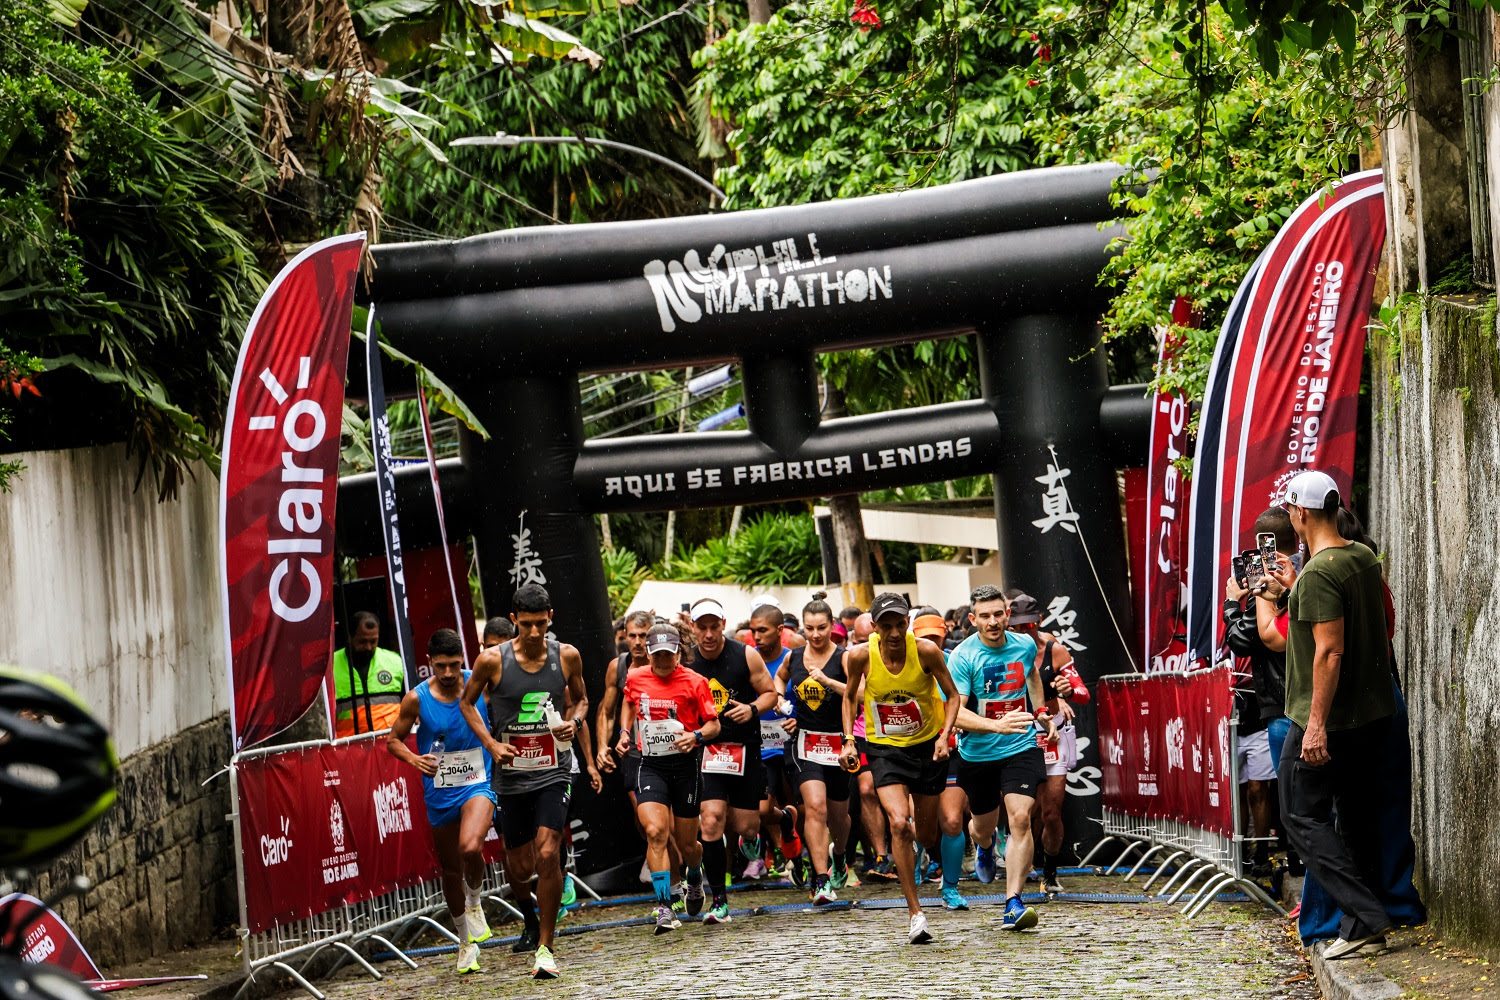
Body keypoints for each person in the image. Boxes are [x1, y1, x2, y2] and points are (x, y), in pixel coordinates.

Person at [1266, 469, 1397, 960]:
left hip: (1325, 718)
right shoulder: (1359, 557)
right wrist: (1292, 589)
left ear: (1300, 513)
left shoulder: (1320, 573)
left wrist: (1315, 724)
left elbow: (1329, 652)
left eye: (1290, 512)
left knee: (1300, 815)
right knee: (1354, 819)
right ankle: (1363, 920)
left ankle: (1366, 914)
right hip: (1369, 716)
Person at [461, 584, 589, 980]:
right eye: (527, 625)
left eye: (541, 623)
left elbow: (582, 699)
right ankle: (539, 905)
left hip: (553, 769)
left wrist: (574, 722)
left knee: (549, 853)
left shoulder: (566, 656)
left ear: (551, 616)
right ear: (514, 620)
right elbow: (466, 702)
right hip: (512, 776)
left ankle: (545, 947)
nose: (535, 633)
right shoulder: (491, 661)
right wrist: (491, 743)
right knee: (520, 868)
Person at [838, 592, 962, 945]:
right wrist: (849, 740)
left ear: (908, 623)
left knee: (925, 834)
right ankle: (915, 914)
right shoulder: (861, 655)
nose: (894, 633)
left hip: (926, 748)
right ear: (874, 627)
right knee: (898, 823)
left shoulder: (926, 651)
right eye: (886, 626)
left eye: (900, 624)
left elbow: (952, 696)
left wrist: (944, 736)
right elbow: (849, 697)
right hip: (884, 749)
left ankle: (919, 851)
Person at [385, 630, 496, 975]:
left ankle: (475, 901)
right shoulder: (416, 699)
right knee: (450, 869)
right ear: (429, 663)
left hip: (478, 780)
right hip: (440, 790)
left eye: (454, 665)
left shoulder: (478, 683)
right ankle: (464, 943)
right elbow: (393, 741)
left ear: (463, 660)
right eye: (440, 666)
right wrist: (414, 760)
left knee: (470, 847)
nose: (448, 673)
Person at [947, 585, 1058, 929]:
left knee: (1022, 817)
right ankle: (984, 845)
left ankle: (1013, 902)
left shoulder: (1024, 645)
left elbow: (1032, 676)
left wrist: (1039, 711)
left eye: (998, 614)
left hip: (1020, 746)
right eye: (985, 616)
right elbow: (956, 714)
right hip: (978, 753)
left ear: (1007, 615)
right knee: (982, 827)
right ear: (973, 619)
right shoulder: (963, 656)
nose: (993, 622)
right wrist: (996, 725)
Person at [616, 623, 722, 934]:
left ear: (678, 653)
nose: (662, 661)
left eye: (668, 655)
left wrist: (696, 736)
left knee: (688, 844)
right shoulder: (636, 678)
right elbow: (629, 701)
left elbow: (714, 726)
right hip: (650, 765)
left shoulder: (695, 682)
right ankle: (664, 906)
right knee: (655, 831)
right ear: (647, 654)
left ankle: (694, 872)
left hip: (685, 767)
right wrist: (625, 732)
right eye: (656, 655)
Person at [687, 598, 777, 922]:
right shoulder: (687, 661)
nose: (708, 634)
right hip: (706, 750)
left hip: (744, 748)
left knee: (748, 826)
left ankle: (752, 842)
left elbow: (770, 694)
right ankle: (719, 901)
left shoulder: (745, 654)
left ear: (723, 624)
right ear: (693, 628)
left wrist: (752, 709)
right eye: (702, 627)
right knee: (710, 820)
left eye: (714, 626)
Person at [1224, 507, 1294, 877]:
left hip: (1285, 703)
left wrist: (1233, 602)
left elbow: (1247, 638)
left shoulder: (1274, 580)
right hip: (1291, 699)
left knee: (1297, 801)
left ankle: (1301, 874)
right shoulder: (1302, 570)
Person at [1007, 592, 1088, 894]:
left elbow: (1082, 694)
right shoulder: (1003, 651)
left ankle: (1049, 872)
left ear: (1038, 621)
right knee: (1026, 811)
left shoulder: (1054, 650)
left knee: (1051, 812)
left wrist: (1068, 693)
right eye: (1017, 625)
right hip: (1019, 734)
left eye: (1028, 625)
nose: (1023, 631)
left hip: (1053, 733)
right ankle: (1019, 864)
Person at [777, 593, 856, 903]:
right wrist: (782, 702)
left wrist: (827, 680)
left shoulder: (844, 657)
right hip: (804, 743)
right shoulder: (793, 657)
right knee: (816, 807)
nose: (815, 634)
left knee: (839, 816)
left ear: (832, 625)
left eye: (821, 627)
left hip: (839, 743)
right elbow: (777, 680)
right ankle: (821, 880)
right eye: (809, 628)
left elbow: (860, 693)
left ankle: (840, 855)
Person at [595, 611, 680, 885]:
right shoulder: (619, 667)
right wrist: (602, 747)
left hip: (671, 752)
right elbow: (606, 711)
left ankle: (685, 870)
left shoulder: (670, 665)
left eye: (643, 636)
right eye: (631, 635)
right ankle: (668, 885)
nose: (637, 642)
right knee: (649, 823)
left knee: (673, 826)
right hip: (635, 753)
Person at [745, 602, 803, 883]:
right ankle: (785, 828)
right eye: (753, 631)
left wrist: (800, 719)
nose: (757, 637)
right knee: (765, 809)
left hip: (793, 739)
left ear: (780, 630)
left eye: (763, 631)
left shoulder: (794, 659)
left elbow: (811, 701)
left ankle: (801, 861)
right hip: (763, 742)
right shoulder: (749, 659)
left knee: (801, 802)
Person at [846, 613, 894, 881]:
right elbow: (853, 695)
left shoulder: (897, 650)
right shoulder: (854, 656)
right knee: (866, 790)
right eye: (861, 639)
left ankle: (907, 850)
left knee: (896, 793)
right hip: (864, 731)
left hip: (897, 731)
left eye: (871, 638)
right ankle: (881, 855)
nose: (868, 643)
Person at [333, 611, 406, 737]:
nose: (368, 647)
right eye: (362, 641)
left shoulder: (395, 661)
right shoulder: (331, 666)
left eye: (373, 641)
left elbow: (415, 701)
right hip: (349, 747)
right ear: (349, 637)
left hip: (390, 744)